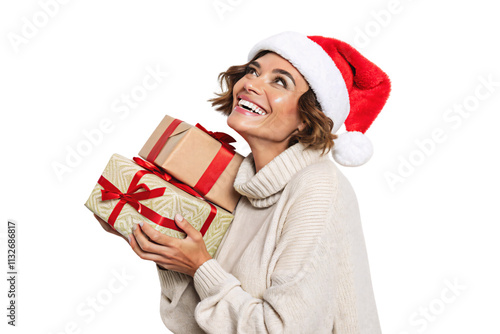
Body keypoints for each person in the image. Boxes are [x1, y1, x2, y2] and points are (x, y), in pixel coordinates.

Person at [95, 31, 391, 333]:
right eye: (253, 71)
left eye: (280, 81)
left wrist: (200, 266)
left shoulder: (317, 187)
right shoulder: (246, 187)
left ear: (307, 117)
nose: (250, 83)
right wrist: (169, 252)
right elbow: (195, 324)